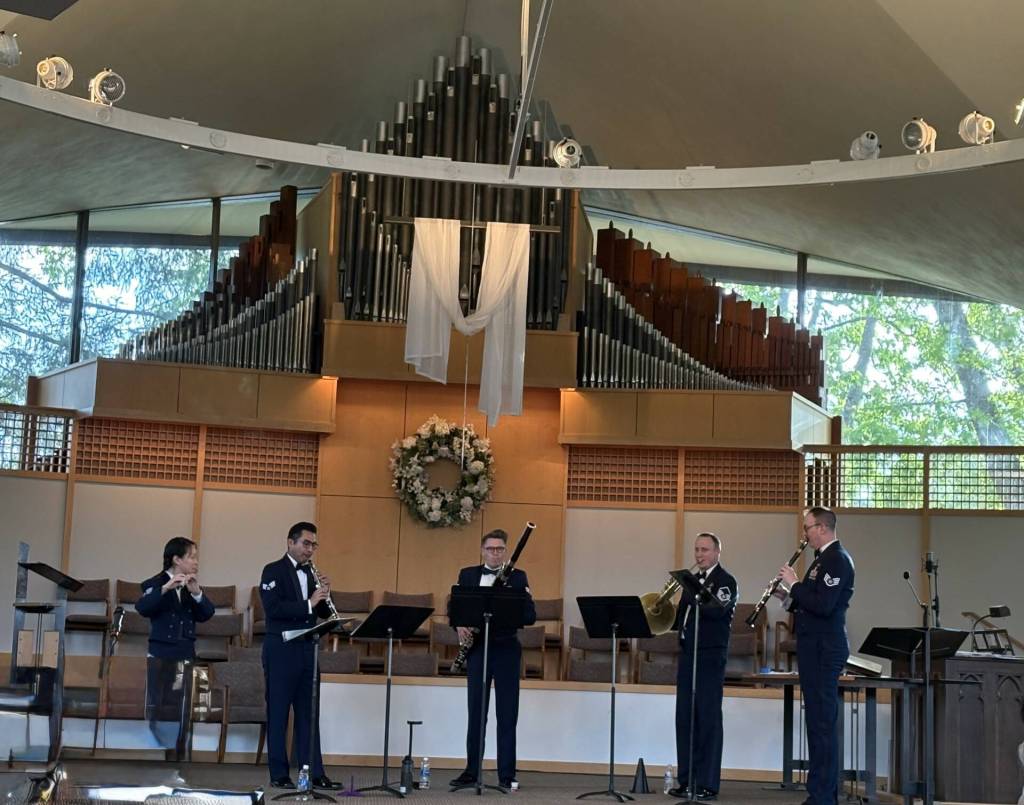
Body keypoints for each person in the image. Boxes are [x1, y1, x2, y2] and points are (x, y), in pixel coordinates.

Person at [777, 507, 855, 805]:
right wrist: (787, 597)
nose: (805, 534)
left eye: (808, 528)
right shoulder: (821, 561)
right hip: (814, 646)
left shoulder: (837, 559)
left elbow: (824, 605)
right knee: (816, 722)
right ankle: (818, 793)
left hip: (826, 647)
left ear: (822, 528)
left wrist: (794, 583)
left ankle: (823, 797)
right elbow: (809, 604)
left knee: (823, 723)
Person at [449, 529, 536, 790]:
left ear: (505, 552)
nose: (495, 553)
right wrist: (460, 625)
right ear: (482, 550)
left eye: (500, 549)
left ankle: (506, 774)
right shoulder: (467, 575)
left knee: (507, 714)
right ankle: (471, 771)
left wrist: (508, 609)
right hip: (477, 649)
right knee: (477, 712)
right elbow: (454, 608)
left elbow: (530, 615)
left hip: (507, 648)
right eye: (490, 549)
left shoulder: (518, 577)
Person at [259, 522, 338, 790]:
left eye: (313, 545)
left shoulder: (312, 573)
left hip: (307, 649)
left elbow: (325, 614)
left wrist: (327, 595)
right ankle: (279, 774)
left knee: (309, 713)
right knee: (279, 713)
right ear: (290, 543)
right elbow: (273, 609)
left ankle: (315, 773)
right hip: (281, 649)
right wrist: (309, 603)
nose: (310, 550)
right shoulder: (273, 570)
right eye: (306, 544)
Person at [669, 532, 737, 801]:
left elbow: (716, 610)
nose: (699, 555)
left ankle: (707, 782)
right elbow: (680, 617)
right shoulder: (691, 582)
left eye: (705, 550)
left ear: (718, 552)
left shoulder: (726, 581)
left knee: (708, 717)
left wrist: (695, 589)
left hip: (710, 656)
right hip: (688, 655)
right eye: (697, 549)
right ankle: (686, 780)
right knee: (684, 717)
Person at [136, 536, 215, 754]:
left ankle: (180, 753)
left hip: (186, 653)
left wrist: (197, 593)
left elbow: (207, 614)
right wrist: (166, 588)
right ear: (176, 559)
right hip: (161, 654)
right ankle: (158, 750)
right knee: (159, 705)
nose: (196, 562)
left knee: (186, 706)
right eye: (192, 557)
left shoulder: (191, 585)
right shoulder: (154, 583)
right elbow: (143, 607)